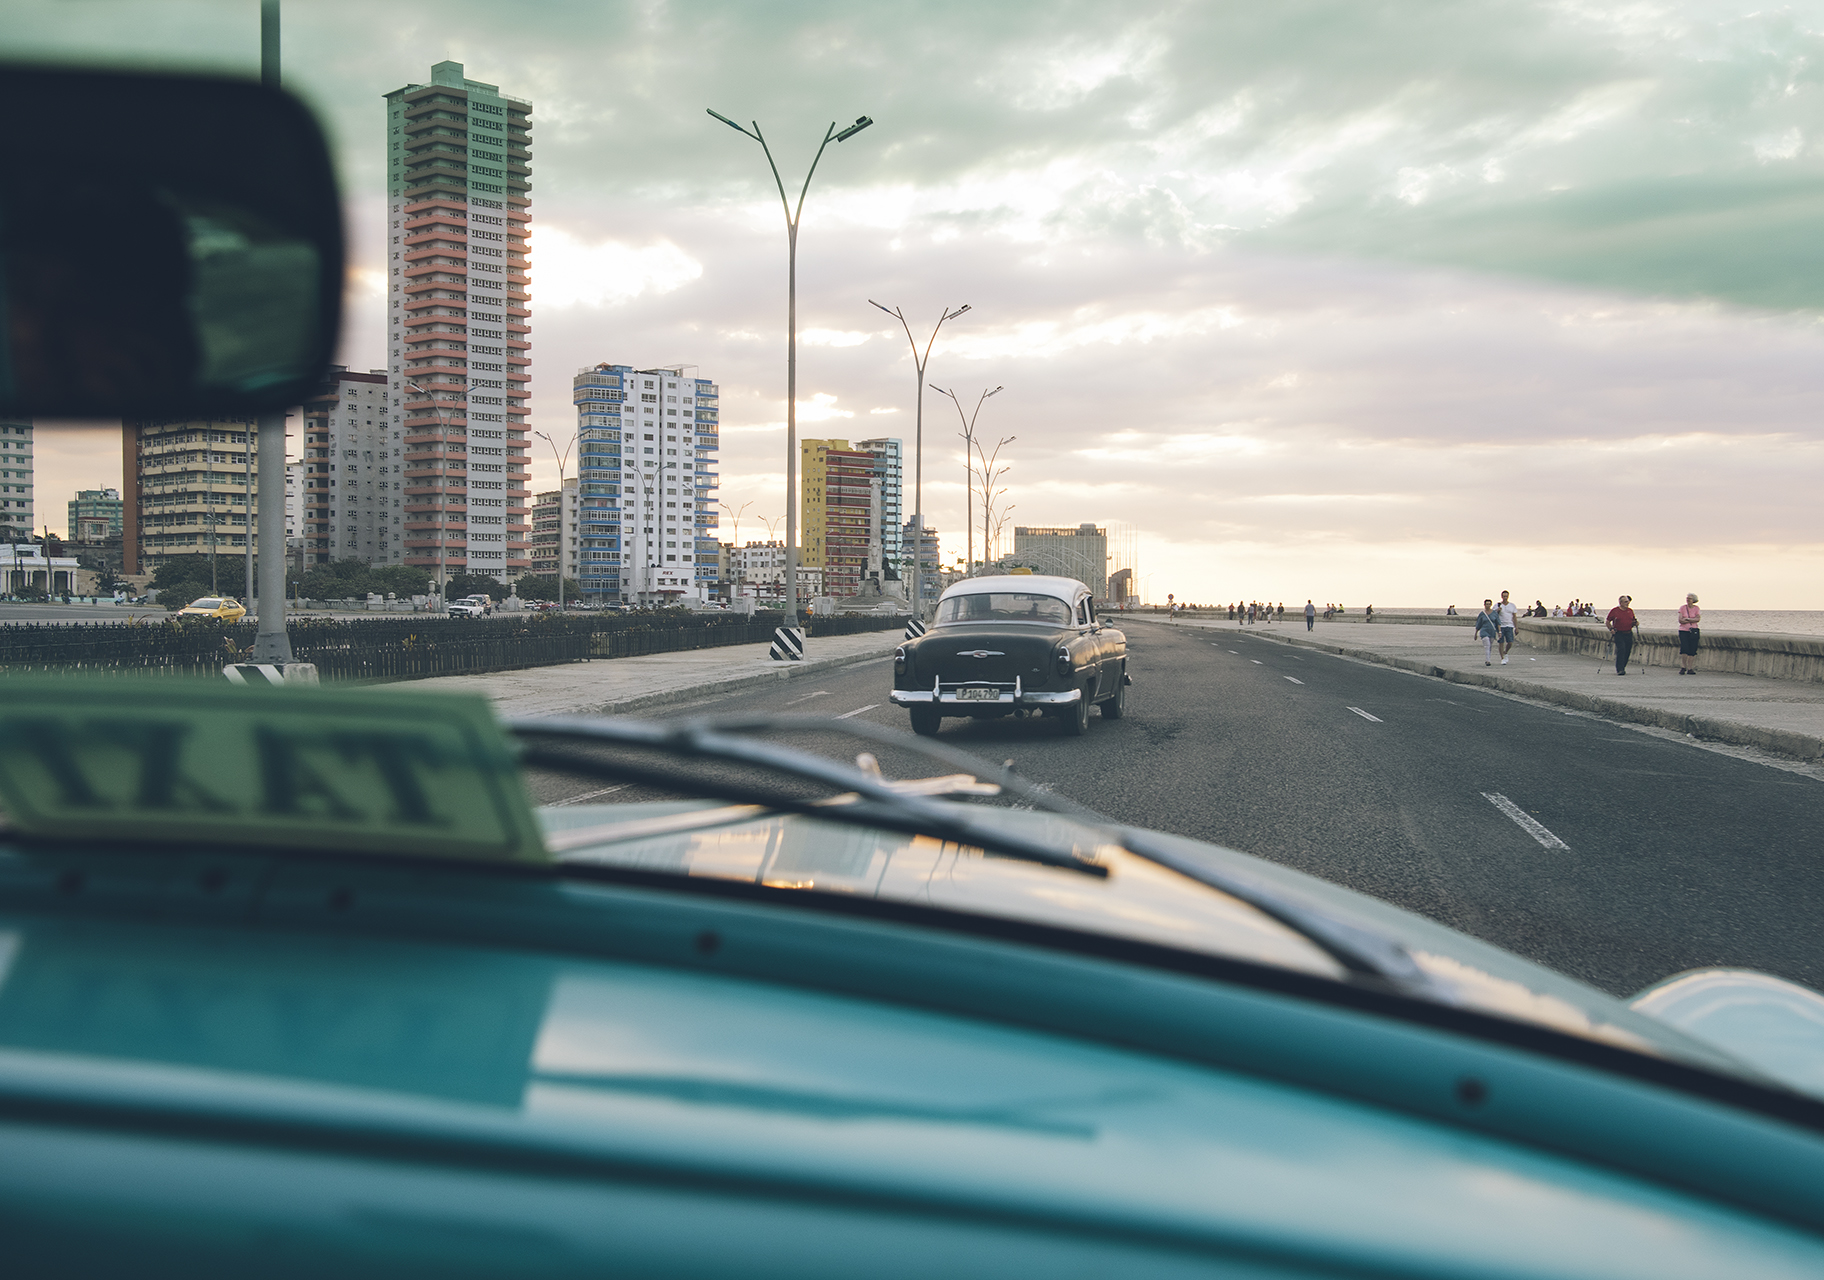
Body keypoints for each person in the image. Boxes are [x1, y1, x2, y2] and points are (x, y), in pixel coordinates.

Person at [1606, 594, 1641, 675]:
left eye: (1628, 602)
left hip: (1628, 633)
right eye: (1625, 602)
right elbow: (1608, 621)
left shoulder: (1630, 611)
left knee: (1627, 651)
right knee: (1621, 649)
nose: (1627, 603)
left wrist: (1635, 623)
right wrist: (1611, 629)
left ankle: (1623, 666)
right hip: (1619, 633)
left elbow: (1632, 621)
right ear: (1620, 602)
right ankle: (1620, 669)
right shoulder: (1615, 611)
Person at [1677, 592, 1702, 675]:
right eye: (1687, 598)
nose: (1688, 600)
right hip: (1683, 630)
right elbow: (1680, 620)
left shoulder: (1696, 608)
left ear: (1693, 600)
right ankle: (1683, 667)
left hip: (1693, 630)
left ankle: (1690, 668)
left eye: (1690, 598)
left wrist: (1687, 619)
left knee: (1692, 650)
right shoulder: (1682, 608)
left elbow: (1698, 619)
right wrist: (1691, 619)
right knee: (1684, 649)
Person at [1494, 590, 1519, 664]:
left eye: (1506, 596)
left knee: (1510, 642)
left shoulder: (1512, 605)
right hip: (1501, 626)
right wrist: (1498, 610)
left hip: (1509, 625)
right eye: (1504, 596)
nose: (1505, 598)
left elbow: (1514, 617)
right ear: (1501, 597)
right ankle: (1502, 658)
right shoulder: (1497, 605)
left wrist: (1516, 627)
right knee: (1501, 642)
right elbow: (1493, 615)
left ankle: (1505, 652)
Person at [1474, 599, 1498, 665]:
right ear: (1484, 605)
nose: (1487, 605)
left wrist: (1499, 632)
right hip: (1484, 631)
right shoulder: (1482, 614)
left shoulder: (1494, 613)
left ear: (1491, 605)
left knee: (1490, 646)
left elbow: (1497, 623)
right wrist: (1476, 633)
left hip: (1492, 631)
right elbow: (1478, 624)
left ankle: (1488, 658)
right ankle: (1488, 661)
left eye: (1489, 604)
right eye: (1486, 604)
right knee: (1487, 645)